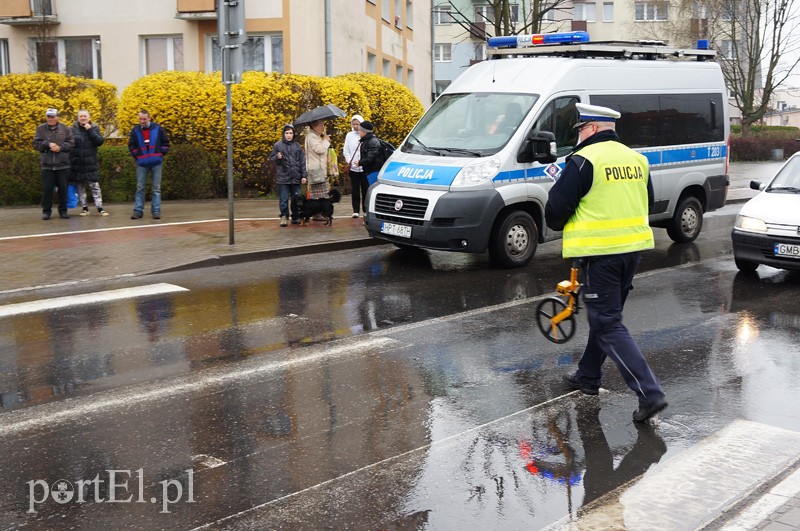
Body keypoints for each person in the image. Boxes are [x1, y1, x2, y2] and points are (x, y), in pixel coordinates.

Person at [545, 103, 667, 423]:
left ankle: (649, 393)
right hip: (632, 252)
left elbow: (555, 211)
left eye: (581, 129)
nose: (579, 135)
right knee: (605, 318)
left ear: (593, 128)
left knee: (608, 324)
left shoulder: (585, 159)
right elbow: (647, 202)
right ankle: (588, 376)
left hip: (601, 254)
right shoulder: (637, 160)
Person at [33, 108, 74, 220]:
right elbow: (36, 144)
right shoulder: (40, 129)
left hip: (63, 165)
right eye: (48, 116)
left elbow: (71, 144)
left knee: (63, 190)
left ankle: (63, 211)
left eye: (52, 116)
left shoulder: (65, 129)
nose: (50, 119)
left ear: (57, 117)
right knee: (47, 190)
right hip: (47, 165)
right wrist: (47, 144)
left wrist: (60, 148)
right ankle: (46, 212)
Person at [128, 109, 170, 220]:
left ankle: (156, 211)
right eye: (140, 119)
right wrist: (137, 155)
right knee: (140, 188)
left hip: (156, 163)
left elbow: (166, 143)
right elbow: (131, 145)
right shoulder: (135, 130)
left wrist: (160, 154)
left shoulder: (158, 129)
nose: (142, 121)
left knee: (156, 188)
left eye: (144, 119)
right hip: (142, 163)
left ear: (149, 118)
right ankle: (138, 211)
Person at [70, 110, 108, 216]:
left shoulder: (94, 128)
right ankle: (84, 208)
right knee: (80, 186)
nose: (83, 118)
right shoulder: (72, 129)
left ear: (89, 118)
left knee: (95, 186)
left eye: (85, 116)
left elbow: (99, 142)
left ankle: (100, 207)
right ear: (78, 118)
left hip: (91, 162)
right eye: (81, 116)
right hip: (77, 163)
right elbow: (69, 144)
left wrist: (90, 130)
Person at [270, 124, 306, 226]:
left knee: (296, 198)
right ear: (283, 134)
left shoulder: (297, 146)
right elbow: (272, 159)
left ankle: (295, 217)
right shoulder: (278, 145)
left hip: (296, 177)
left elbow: (302, 162)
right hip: (283, 178)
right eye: (287, 133)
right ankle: (284, 216)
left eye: (290, 133)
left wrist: (304, 175)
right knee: (283, 199)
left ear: (293, 134)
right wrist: (277, 157)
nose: (289, 135)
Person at [304, 119, 333, 205]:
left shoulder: (316, 136)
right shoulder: (312, 137)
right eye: (321, 125)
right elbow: (319, 150)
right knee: (320, 196)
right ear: (314, 126)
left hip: (319, 170)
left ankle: (320, 211)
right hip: (317, 171)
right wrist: (326, 140)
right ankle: (321, 211)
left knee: (320, 195)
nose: (323, 127)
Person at [343, 114, 367, 218]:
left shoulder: (365, 134)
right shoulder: (349, 135)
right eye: (354, 124)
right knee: (355, 190)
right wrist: (350, 161)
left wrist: (362, 162)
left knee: (365, 190)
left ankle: (365, 210)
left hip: (364, 167)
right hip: (353, 167)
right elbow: (346, 150)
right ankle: (356, 210)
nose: (356, 126)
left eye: (358, 124)